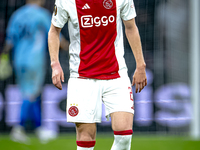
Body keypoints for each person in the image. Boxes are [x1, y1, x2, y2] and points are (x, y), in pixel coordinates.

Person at [48, 0, 147, 149]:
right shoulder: (66, 1)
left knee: (124, 135)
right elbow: (54, 30)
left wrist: (140, 65)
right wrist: (55, 63)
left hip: (117, 74)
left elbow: (131, 27)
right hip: (82, 77)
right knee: (86, 138)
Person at [1, 0, 69, 144]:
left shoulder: (17, 14)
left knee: (31, 93)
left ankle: (39, 128)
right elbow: (56, 37)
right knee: (30, 94)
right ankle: (18, 128)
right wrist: (72, 49)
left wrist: (4, 58)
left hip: (19, 60)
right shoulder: (42, 15)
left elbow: (9, 41)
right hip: (34, 60)